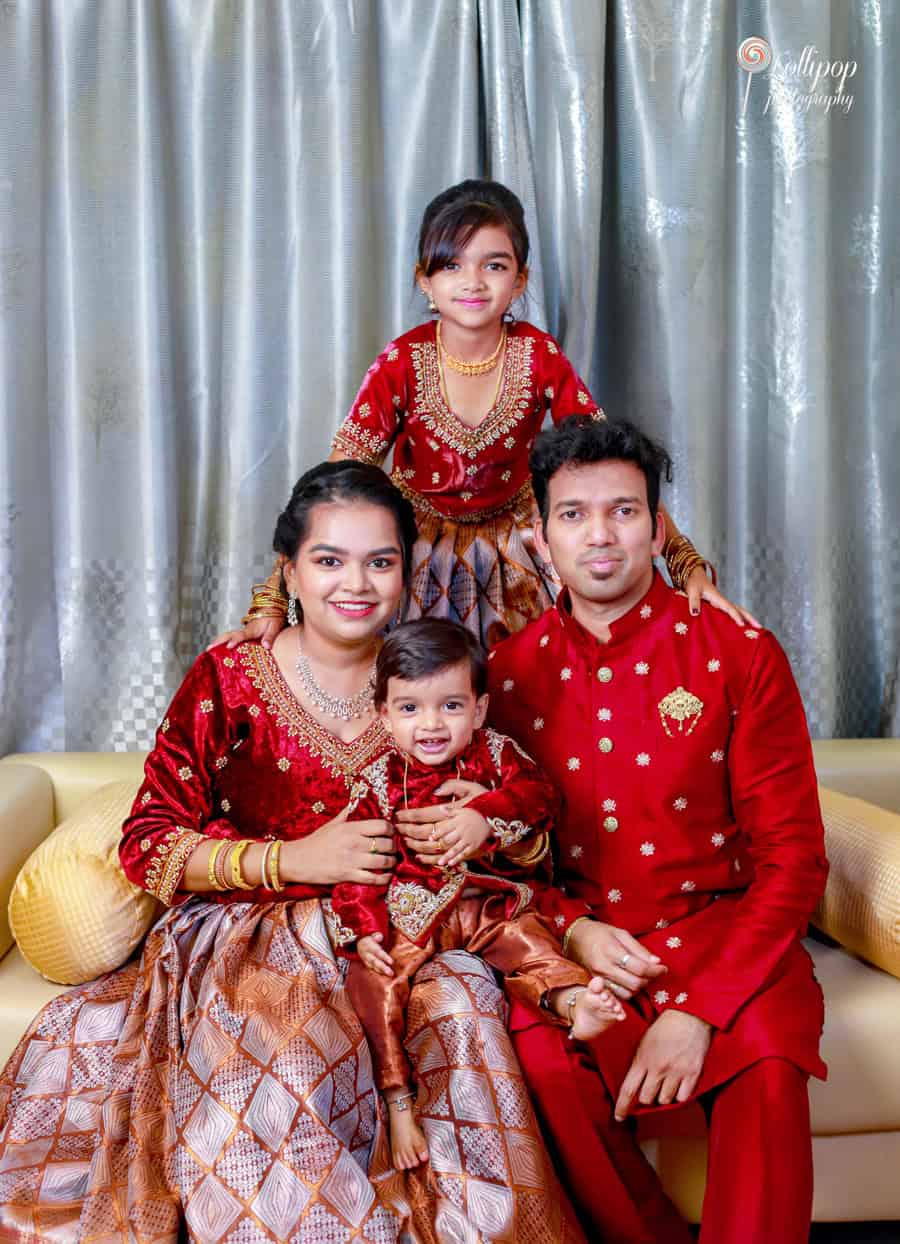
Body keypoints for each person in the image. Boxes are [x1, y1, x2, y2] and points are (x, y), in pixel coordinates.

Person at [0, 462, 584, 1244]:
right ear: (290, 570)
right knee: (278, 1024)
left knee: (464, 1002)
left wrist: (483, 823)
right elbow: (148, 843)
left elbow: (518, 824)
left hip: (404, 933)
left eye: (380, 562)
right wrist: (293, 861)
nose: (357, 583)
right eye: (329, 560)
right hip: (249, 933)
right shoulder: (230, 677)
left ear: (407, 572)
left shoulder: (433, 682)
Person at [482, 416, 829, 1244]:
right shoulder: (504, 675)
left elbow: (794, 859)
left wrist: (700, 1010)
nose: (599, 536)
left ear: (659, 527)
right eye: (572, 515)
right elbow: (495, 861)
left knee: (772, 1071)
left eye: (624, 511)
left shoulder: (737, 651)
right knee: (537, 1064)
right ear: (539, 537)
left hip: (727, 937)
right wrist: (574, 932)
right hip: (586, 952)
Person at [237, 179, 751, 648]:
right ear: (425, 281)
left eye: (495, 265)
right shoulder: (402, 362)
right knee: (419, 680)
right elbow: (334, 487)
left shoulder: (538, 355)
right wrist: (275, 594)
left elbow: (607, 465)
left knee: (543, 674)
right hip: (418, 546)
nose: (474, 282)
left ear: (520, 279)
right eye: (452, 265)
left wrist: (683, 563)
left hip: (523, 549)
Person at [328, 618, 623, 1170]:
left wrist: (484, 812)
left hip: (488, 899)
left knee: (529, 940)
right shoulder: (378, 781)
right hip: (412, 912)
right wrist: (364, 928)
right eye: (411, 708)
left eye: (451, 706)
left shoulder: (496, 754)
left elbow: (541, 797)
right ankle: (397, 1101)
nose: (432, 725)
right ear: (384, 714)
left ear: (480, 710)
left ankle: (573, 1002)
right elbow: (358, 869)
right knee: (372, 981)